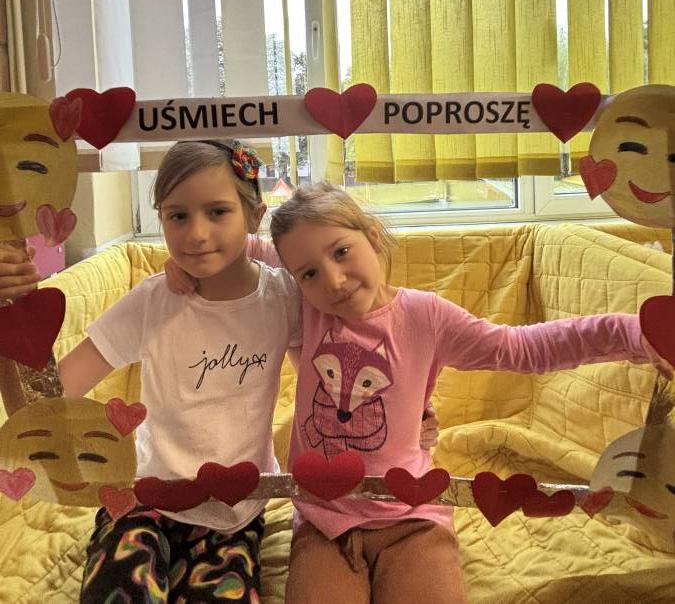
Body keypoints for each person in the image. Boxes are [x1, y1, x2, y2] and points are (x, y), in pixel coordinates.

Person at [0, 143, 436, 603]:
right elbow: (39, 409)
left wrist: (411, 416)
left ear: (254, 216)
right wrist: (11, 313)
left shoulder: (285, 299)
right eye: (178, 216)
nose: (196, 234)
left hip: (234, 512)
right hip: (142, 500)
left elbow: (332, 387)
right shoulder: (152, 302)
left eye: (217, 212)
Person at [258, 182, 669, 604]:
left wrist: (632, 333)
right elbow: (241, 249)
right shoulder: (302, 311)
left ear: (373, 236)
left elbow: (521, 348)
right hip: (324, 521)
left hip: (411, 516)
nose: (334, 280)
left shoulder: (426, 316)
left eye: (342, 251)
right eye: (309, 274)